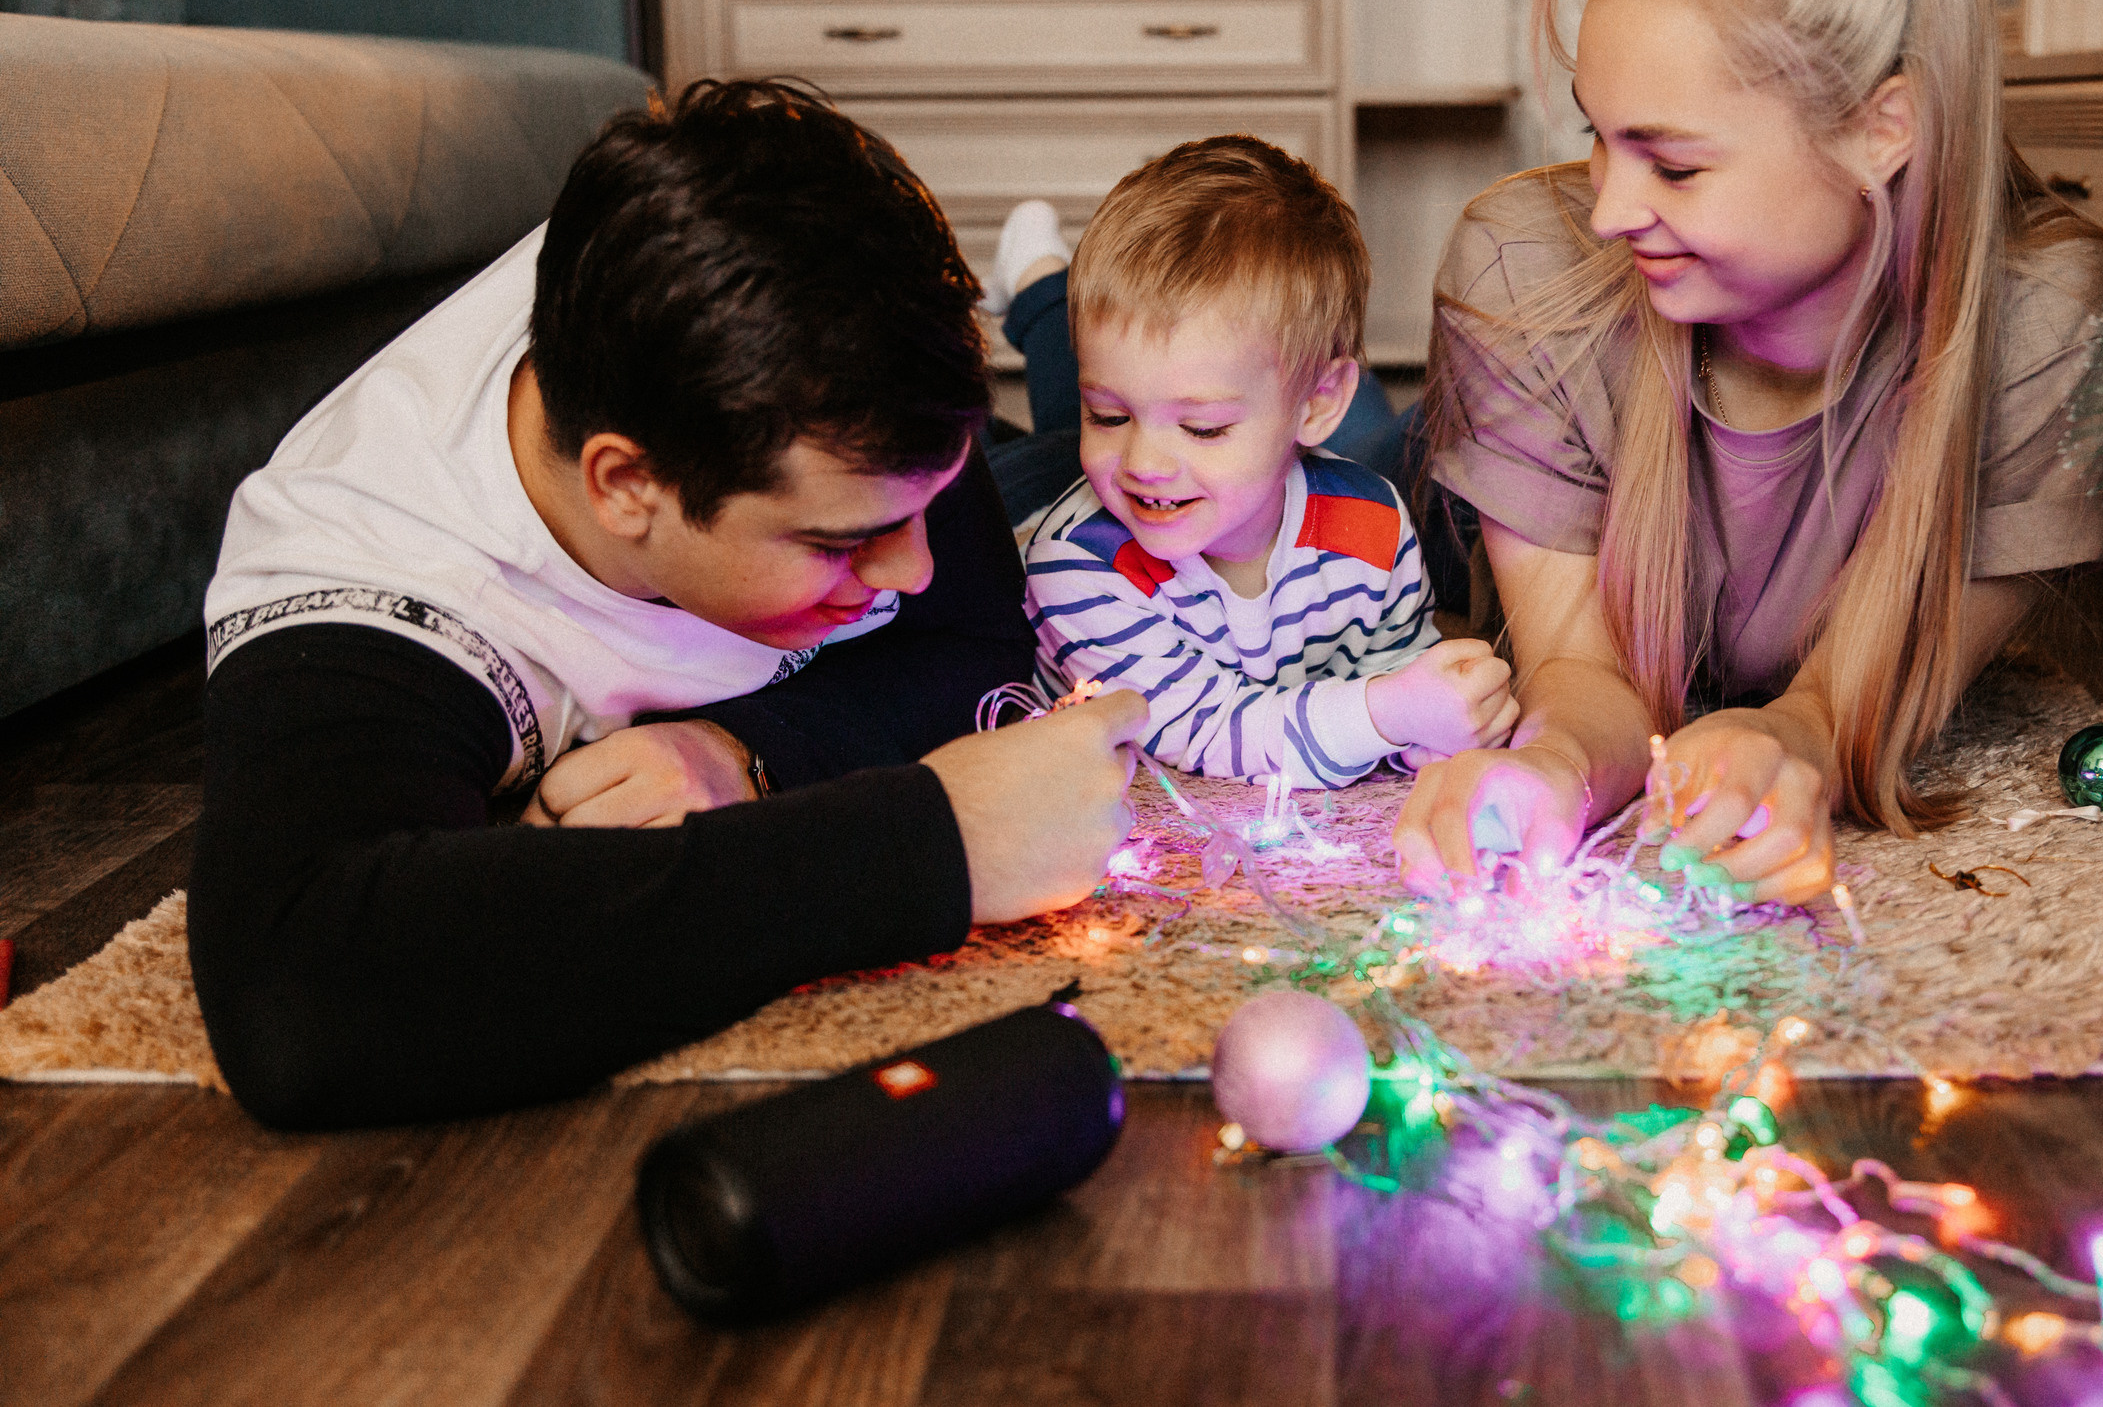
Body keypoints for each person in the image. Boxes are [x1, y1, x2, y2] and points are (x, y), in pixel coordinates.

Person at [191, 79, 1146, 1129]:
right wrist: (935, 845)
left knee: (1246, 468)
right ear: (626, 487)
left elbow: (967, 630)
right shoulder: (375, 576)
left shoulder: (829, 363)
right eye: (840, 542)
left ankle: (1049, 319)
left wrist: (742, 750)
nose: (914, 569)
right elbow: (301, 986)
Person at [1391, 0, 2103, 900]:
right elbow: (1585, 680)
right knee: (1197, 436)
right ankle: (1043, 299)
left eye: (1675, 167)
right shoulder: (1528, 271)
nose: (1607, 212)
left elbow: (1842, 710)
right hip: (1441, 458)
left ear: (1885, 128)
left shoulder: (2048, 331)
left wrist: (1788, 745)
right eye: (1596, 137)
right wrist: (1548, 766)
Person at [1015, 136, 1517, 786]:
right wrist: (1388, 716)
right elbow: (1207, 730)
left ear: (1317, 405)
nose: (1142, 460)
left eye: (1202, 427)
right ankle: (1033, 278)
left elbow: (1401, 668)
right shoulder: (1075, 567)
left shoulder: (1372, 523)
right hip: (1017, 494)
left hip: (1306, 431)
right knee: (1030, 438)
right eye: (1108, 416)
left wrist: (1439, 723)